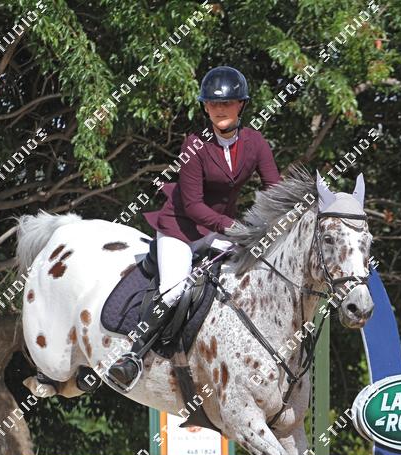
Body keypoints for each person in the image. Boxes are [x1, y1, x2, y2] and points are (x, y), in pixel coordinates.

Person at [105, 65, 282, 391]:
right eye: (213, 104)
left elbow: (274, 189)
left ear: (241, 105)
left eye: (227, 103)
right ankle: (132, 357)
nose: (220, 110)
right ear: (205, 108)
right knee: (174, 289)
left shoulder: (255, 142)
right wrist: (234, 227)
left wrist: (281, 219)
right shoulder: (194, 144)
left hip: (219, 231)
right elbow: (193, 205)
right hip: (181, 229)